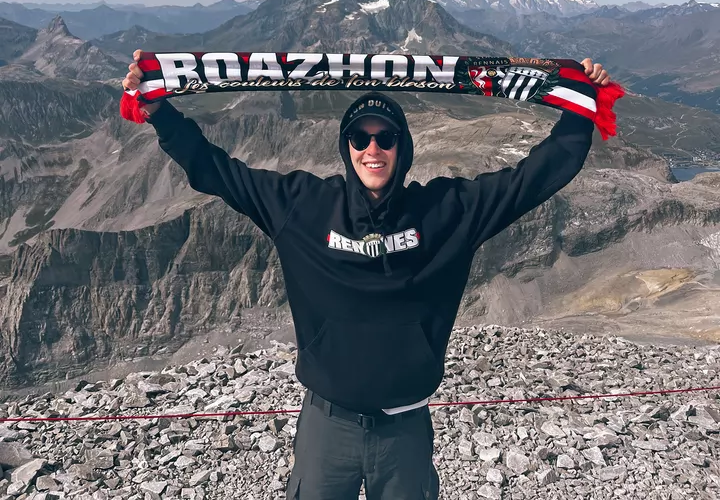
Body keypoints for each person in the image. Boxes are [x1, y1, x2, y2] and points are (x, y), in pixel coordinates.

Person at [122, 52, 610, 500]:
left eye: (386, 138)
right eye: (359, 138)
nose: (372, 149)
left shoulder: (447, 212)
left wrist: (578, 109)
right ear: (346, 147)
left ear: (403, 147)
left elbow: (531, 181)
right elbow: (215, 170)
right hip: (325, 426)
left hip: (405, 431)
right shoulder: (302, 207)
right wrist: (161, 113)